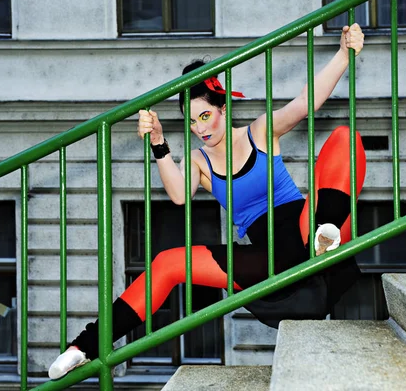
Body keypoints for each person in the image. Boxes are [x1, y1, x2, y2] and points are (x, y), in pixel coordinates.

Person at [48, 23, 366, 380]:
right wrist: (158, 143)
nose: (201, 128)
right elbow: (179, 196)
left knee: (343, 138)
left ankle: (327, 231)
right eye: (193, 122)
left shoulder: (259, 131)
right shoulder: (199, 160)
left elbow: (306, 103)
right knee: (168, 263)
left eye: (205, 116)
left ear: (223, 106)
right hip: (267, 259)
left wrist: (343, 54)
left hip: (310, 231)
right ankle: (82, 348)